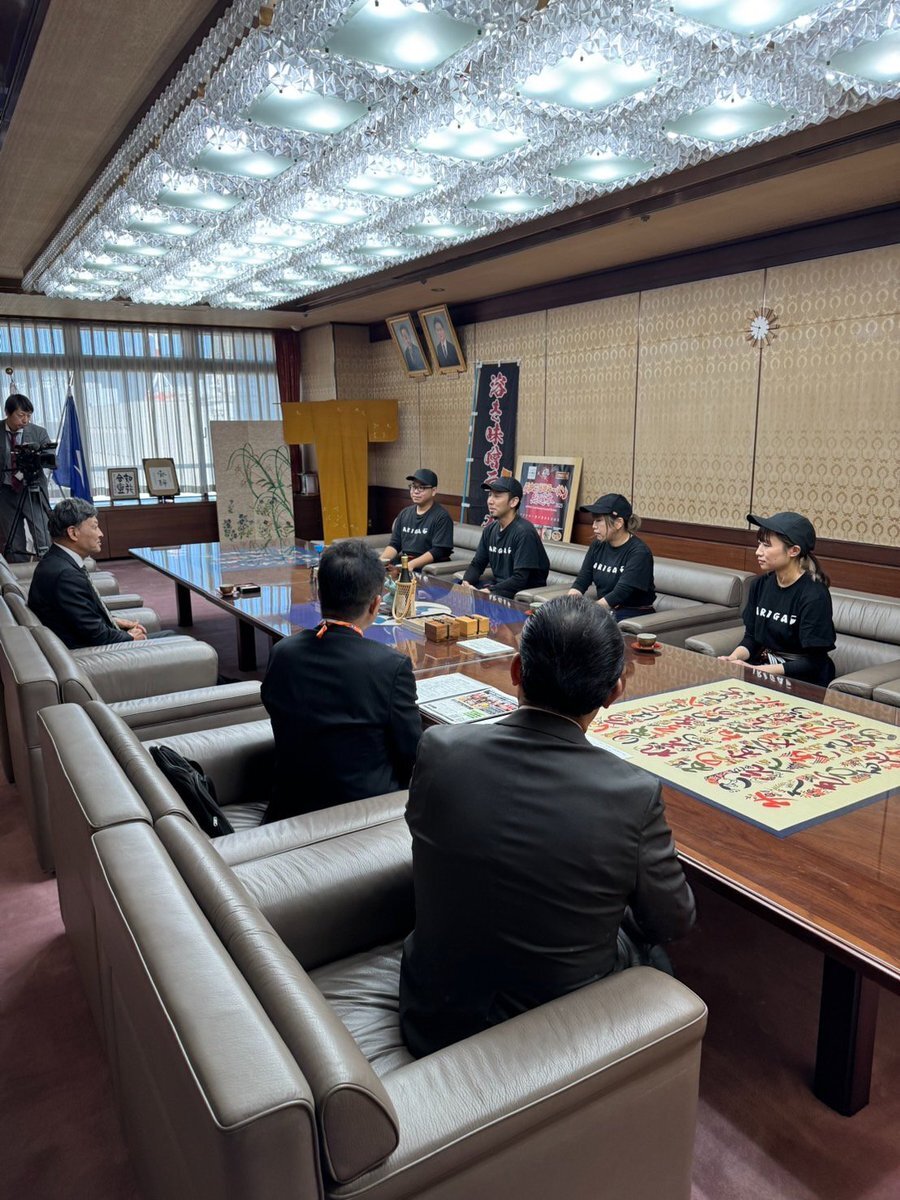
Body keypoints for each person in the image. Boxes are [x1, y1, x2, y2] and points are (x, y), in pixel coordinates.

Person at [399, 595, 696, 1057]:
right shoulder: (631, 794)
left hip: (430, 1012)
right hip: (546, 1036)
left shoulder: (439, 748)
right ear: (614, 692)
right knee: (655, 954)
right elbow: (674, 920)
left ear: (516, 671)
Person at [261, 539, 422, 823]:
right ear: (375, 604)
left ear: (318, 593)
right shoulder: (390, 666)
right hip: (362, 819)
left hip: (288, 808)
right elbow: (413, 755)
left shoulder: (282, 652)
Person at [719, 511, 836, 687]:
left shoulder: (814, 595)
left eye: (766, 545)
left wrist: (755, 670)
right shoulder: (759, 585)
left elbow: (814, 662)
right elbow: (752, 638)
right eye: (759, 544)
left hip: (803, 680)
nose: (758, 552)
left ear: (794, 551)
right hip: (765, 669)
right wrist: (733, 658)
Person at [27, 497, 156, 648]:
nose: (100, 534)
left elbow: (80, 618)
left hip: (89, 642)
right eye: (95, 527)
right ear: (73, 533)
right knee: (174, 638)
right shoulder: (65, 575)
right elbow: (97, 636)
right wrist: (130, 637)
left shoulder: (56, 560)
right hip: (96, 653)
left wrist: (113, 620)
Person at [568, 493, 656, 622]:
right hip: (606, 609)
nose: (593, 526)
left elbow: (620, 593)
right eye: (593, 520)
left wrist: (588, 612)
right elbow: (582, 580)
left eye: (599, 520)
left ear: (618, 523)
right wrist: (567, 604)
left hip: (633, 613)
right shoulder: (597, 545)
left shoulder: (639, 553)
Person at [461, 477, 549, 599]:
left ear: (513, 502)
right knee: (457, 585)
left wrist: (488, 591)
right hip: (499, 588)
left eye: (497, 496)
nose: (490, 501)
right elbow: (477, 564)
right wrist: (466, 582)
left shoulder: (524, 532)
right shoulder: (489, 530)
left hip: (520, 595)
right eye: (490, 495)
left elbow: (520, 579)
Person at [0, 394, 52, 562]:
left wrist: (37, 456)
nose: (25, 420)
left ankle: (48, 567)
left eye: (28, 416)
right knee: (13, 540)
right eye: (21, 415)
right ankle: (19, 574)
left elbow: (51, 459)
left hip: (32, 489)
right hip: (5, 492)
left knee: (42, 534)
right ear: (7, 412)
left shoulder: (38, 432)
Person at [379, 469, 454, 572]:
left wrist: (410, 565)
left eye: (421, 488)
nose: (415, 491)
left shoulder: (442, 517)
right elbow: (395, 544)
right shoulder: (404, 513)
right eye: (413, 487)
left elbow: (439, 550)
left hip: (426, 568)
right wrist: (381, 561)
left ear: (433, 491)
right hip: (404, 564)